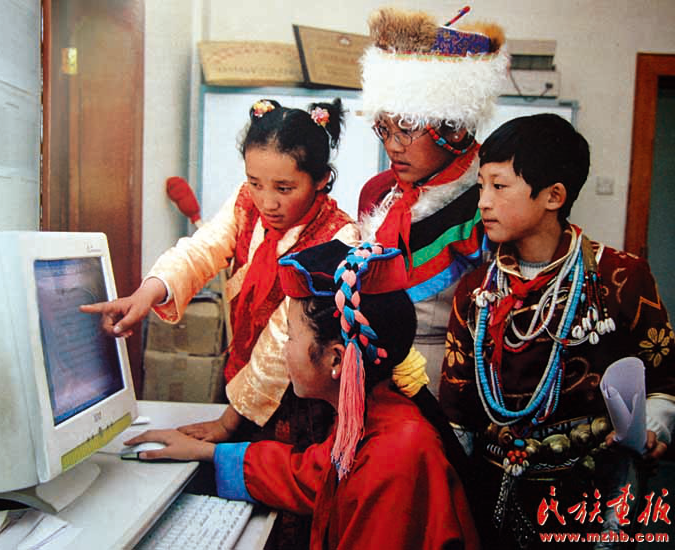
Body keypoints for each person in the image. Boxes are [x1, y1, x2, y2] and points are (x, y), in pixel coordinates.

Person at [81, 98, 359, 548]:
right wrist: (146, 293)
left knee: (283, 521)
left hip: (301, 401)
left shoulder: (338, 238)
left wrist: (228, 423)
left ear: (321, 179)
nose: (267, 201)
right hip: (244, 389)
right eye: (255, 183)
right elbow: (202, 248)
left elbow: (280, 345)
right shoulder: (246, 204)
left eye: (284, 188)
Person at [124, 240, 480, 550]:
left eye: (291, 336)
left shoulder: (396, 455)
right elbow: (311, 475)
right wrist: (210, 453)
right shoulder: (374, 416)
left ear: (335, 359)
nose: (285, 351)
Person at [439, 113, 675, 548]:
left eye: (499, 186)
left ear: (553, 196)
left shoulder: (620, 278)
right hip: (491, 491)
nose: (483, 202)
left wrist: (653, 430)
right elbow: (458, 411)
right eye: (481, 186)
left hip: (592, 492)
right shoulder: (476, 290)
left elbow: (664, 380)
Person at [357, 6, 509, 397]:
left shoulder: (485, 205)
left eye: (407, 128)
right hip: (370, 370)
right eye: (384, 128)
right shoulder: (379, 193)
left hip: (445, 378)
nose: (393, 146)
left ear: (452, 128)